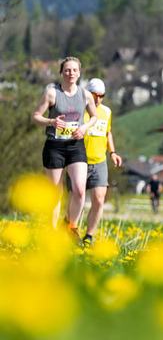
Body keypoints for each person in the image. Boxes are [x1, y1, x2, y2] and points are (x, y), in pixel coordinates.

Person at [30, 56, 98, 238]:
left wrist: (83, 128)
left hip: (76, 146)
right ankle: (51, 232)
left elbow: (94, 116)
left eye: (74, 70)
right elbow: (35, 116)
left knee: (80, 189)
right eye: (67, 70)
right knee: (55, 192)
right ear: (61, 72)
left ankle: (71, 227)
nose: (71, 74)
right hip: (55, 147)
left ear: (79, 73)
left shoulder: (85, 95)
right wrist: (51, 121)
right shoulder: (52, 94)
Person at [78, 78, 122, 245]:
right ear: (88, 93)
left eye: (101, 96)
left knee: (99, 198)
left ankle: (89, 236)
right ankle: (70, 225)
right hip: (79, 160)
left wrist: (113, 152)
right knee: (77, 198)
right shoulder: (79, 110)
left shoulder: (106, 112)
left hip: (99, 161)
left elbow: (107, 133)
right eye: (95, 95)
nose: (98, 99)